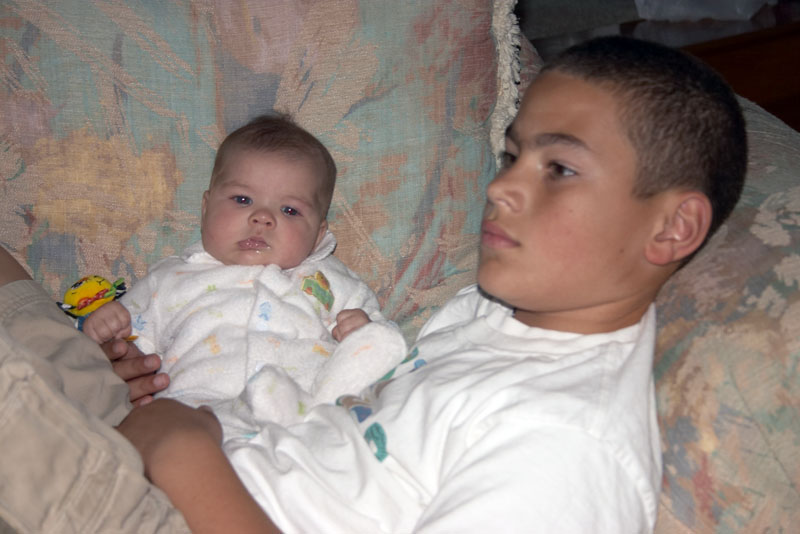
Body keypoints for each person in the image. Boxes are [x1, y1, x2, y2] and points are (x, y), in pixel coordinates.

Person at [0, 36, 746, 533]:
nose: (502, 188)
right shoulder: (498, 314)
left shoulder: (563, 444)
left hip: (175, 503)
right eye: (513, 155)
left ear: (672, 227)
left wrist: (180, 451)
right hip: (198, 434)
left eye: (559, 168)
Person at [78, 114, 406, 438]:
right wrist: (108, 330)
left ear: (318, 234)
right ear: (206, 208)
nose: (262, 217)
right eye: (242, 199)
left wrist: (362, 330)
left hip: (309, 412)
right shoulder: (169, 279)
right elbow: (131, 352)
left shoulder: (330, 281)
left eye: (289, 210)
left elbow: (383, 344)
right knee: (161, 428)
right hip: (202, 415)